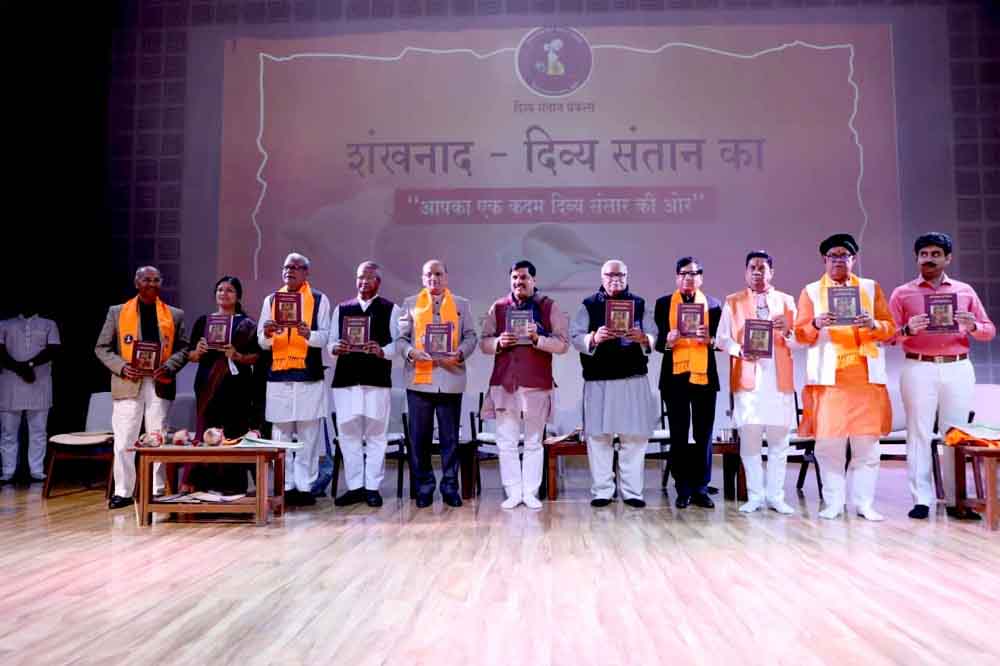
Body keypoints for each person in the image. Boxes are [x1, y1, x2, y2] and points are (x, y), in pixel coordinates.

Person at [889, 232, 996, 520]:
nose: (929, 259)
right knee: (919, 432)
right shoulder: (902, 293)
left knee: (955, 432)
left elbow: (988, 331)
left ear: (948, 258)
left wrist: (972, 326)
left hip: (957, 366)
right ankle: (921, 500)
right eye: (924, 254)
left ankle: (955, 500)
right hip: (918, 366)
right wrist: (907, 330)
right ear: (916, 258)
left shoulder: (964, 291)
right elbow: (886, 336)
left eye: (935, 254)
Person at [794, 233, 895, 521]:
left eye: (844, 255)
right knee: (829, 446)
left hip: (865, 378)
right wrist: (816, 323)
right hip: (829, 381)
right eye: (833, 256)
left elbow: (890, 328)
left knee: (867, 445)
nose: (839, 260)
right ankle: (833, 503)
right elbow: (800, 334)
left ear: (854, 259)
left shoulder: (870, 288)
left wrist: (873, 324)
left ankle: (864, 503)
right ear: (824, 260)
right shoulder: (812, 291)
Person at [95, 266, 188, 509]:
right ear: (137, 283)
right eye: (147, 279)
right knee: (125, 437)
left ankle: (156, 490)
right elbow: (101, 348)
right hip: (128, 382)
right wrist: (122, 367)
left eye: (156, 280)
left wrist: (168, 366)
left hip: (160, 382)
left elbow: (184, 348)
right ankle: (123, 491)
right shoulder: (117, 312)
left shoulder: (174, 314)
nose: (152, 284)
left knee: (158, 437)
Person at [480, 260, 569, 509]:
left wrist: (537, 339)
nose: (519, 282)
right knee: (506, 442)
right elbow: (484, 342)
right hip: (504, 383)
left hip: (536, 384)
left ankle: (530, 492)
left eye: (524, 278)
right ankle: (513, 492)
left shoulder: (548, 306)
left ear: (534, 280)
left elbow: (563, 344)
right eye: (515, 278)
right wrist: (499, 342)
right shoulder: (498, 307)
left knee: (533, 441)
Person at [569, 259, 658, 508]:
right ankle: (602, 491)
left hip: (633, 378)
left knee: (634, 437)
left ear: (627, 277)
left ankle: (632, 492)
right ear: (602, 277)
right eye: (610, 275)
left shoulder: (639, 304)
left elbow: (654, 334)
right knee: (598, 436)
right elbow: (575, 336)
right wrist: (593, 338)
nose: (615, 279)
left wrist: (644, 338)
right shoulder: (588, 305)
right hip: (599, 379)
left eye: (620, 275)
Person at [717, 251, 798, 514]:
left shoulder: (786, 301)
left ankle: (776, 496)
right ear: (745, 272)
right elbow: (722, 339)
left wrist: (788, 330)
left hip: (778, 377)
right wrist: (739, 350)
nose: (757, 272)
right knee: (750, 440)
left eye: (762, 268)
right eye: (752, 267)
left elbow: (800, 340)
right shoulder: (733, 301)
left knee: (779, 441)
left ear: (771, 272)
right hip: (748, 377)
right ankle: (755, 495)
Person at [398, 259, 478, 508]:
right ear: (423, 278)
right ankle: (424, 487)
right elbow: (400, 339)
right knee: (419, 439)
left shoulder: (461, 304)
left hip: (450, 379)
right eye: (429, 274)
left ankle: (450, 487)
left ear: (446, 277)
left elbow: (471, 336)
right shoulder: (410, 304)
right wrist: (411, 352)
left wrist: (460, 353)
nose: (434, 278)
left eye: (438, 274)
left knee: (450, 439)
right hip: (419, 382)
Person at [257, 253, 331, 507]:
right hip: (279, 376)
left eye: (297, 267)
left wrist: (308, 334)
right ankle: (285, 486)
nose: (290, 271)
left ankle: (305, 486)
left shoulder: (319, 299)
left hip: (308, 374)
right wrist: (268, 333)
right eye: (287, 267)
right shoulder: (271, 300)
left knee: (309, 436)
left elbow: (325, 338)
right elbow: (262, 342)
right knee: (281, 435)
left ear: (306, 273)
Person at [328, 261, 401, 508]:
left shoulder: (391, 309)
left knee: (376, 435)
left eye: (368, 278)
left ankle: (372, 487)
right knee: (348, 435)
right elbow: (330, 343)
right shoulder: (342, 308)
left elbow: (398, 345)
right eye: (360, 277)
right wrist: (335, 348)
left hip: (376, 380)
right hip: (346, 381)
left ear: (378, 282)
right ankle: (355, 487)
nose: (363, 282)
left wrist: (382, 350)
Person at [654, 256, 723, 510]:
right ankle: (682, 488)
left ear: (701, 278)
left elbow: (721, 343)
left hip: (704, 376)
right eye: (683, 273)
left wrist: (710, 340)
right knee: (679, 434)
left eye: (693, 273)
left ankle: (701, 488)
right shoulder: (663, 304)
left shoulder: (713, 305)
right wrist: (668, 341)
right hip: (675, 377)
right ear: (677, 277)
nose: (688, 278)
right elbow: (658, 343)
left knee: (704, 434)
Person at [183, 276, 262, 492]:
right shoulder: (203, 321)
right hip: (207, 383)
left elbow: (257, 357)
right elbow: (190, 355)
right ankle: (205, 486)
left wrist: (237, 356)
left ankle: (233, 486)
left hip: (237, 385)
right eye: (220, 289)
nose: (223, 294)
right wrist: (197, 352)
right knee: (208, 431)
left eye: (229, 290)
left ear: (238, 296)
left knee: (234, 431)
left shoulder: (247, 325)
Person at [0, 301, 61, 483]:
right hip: (10, 385)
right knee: (8, 432)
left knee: (39, 431)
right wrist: (21, 368)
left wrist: (29, 365)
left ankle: (37, 470)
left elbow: (53, 350)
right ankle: (8, 471)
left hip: (39, 384)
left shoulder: (49, 324)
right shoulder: (4, 324)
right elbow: (0, 351)